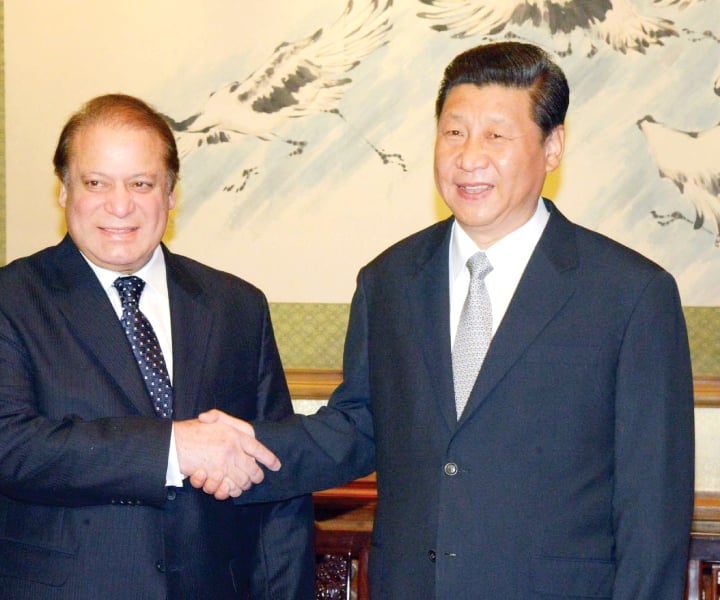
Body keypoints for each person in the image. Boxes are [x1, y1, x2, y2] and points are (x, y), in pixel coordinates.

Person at [198, 41, 696, 598]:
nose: (468, 157)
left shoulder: (629, 293)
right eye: (454, 132)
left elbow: (653, 503)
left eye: (496, 136)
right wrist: (242, 450)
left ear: (552, 146)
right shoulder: (388, 280)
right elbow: (360, 426)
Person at [0, 94, 314, 599]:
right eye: (95, 182)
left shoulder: (237, 306)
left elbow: (276, 480)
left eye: (141, 184)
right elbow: (9, 448)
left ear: (170, 193)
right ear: (63, 190)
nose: (119, 206)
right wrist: (174, 448)